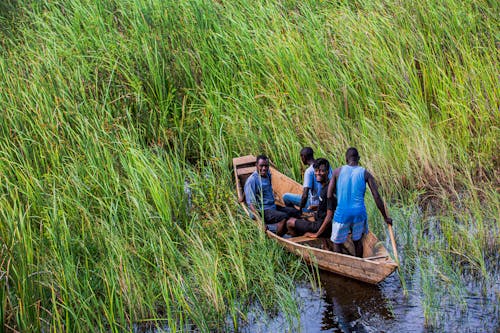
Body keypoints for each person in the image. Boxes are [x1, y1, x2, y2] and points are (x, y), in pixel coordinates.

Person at [327, 148, 393, 257]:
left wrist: (330, 211)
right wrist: (385, 217)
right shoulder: (365, 173)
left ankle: (340, 264)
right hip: (359, 213)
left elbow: (329, 195)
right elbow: (376, 197)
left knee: (337, 242)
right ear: (358, 159)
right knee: (358, 241)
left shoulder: (337, 172)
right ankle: (359, 262)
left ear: (346, 159)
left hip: (342, 213)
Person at [244, 155, 301, 235]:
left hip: (272, 206)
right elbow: (251, 204)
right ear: (256, 165)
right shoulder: (252, 180)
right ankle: (279, 236)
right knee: (284, 217)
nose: (264, 168)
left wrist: (242, 196)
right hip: (263, 210)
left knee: (295, 212)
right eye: (261, 166)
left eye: (266, 166)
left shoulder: (267, 174)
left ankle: (289, 229)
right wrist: (261, 222)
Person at [286, 158, 336, 238]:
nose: (318, 173)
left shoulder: (328, 190)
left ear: (327, 171)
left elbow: (329, 217)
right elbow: (329, 205)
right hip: (319, 219)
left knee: (289, 222)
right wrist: (316, 207)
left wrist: (317, 234)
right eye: (316, 171)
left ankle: (298, 242)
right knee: (305, 218)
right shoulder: (325, 186)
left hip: (320, 225)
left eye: (321, 171)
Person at [283, 147, 332, 213]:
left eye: (301, 157)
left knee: (285, 197)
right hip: (326, 200)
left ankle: (297, 213)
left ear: (303, 157)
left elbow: (305, 195)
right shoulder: (325, 166)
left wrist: (300, 210)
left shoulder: (309, 171)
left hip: (315, 203)